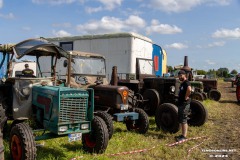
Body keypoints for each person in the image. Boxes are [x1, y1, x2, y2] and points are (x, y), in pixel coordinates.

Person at [175, 70, 192, 142]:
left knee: (183, 119)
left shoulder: (186, 82)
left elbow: (189, 89)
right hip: (181, 103)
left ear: (184, 75)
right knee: (182, 119)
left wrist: (186, 97)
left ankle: (184, 137)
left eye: (180, 76)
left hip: (184, 104)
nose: (179, 77)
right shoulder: (182, 83)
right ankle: (183, 135)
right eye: (178, 76)